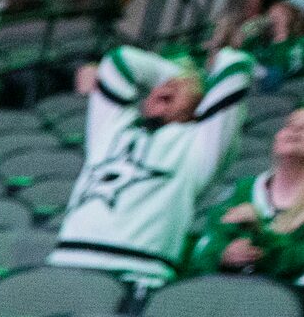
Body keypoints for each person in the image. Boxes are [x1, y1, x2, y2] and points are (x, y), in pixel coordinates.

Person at [50, 39, 256, 287]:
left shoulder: (201, 146)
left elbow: (236, 69)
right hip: (63, 266)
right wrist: (177, 75)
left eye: (184, 83)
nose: (168, 85)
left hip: (137, 276)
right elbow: (119, 61)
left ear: (202, 102)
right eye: (161, 82)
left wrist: (207, 67)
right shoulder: (112, 127)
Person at [194, 104, 304, 280]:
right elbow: (203, 252)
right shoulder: (243, 190)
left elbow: (296, 263)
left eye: (303, 129)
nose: (294, 132)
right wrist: (223, 255)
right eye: (290, 125)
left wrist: (261, 235)